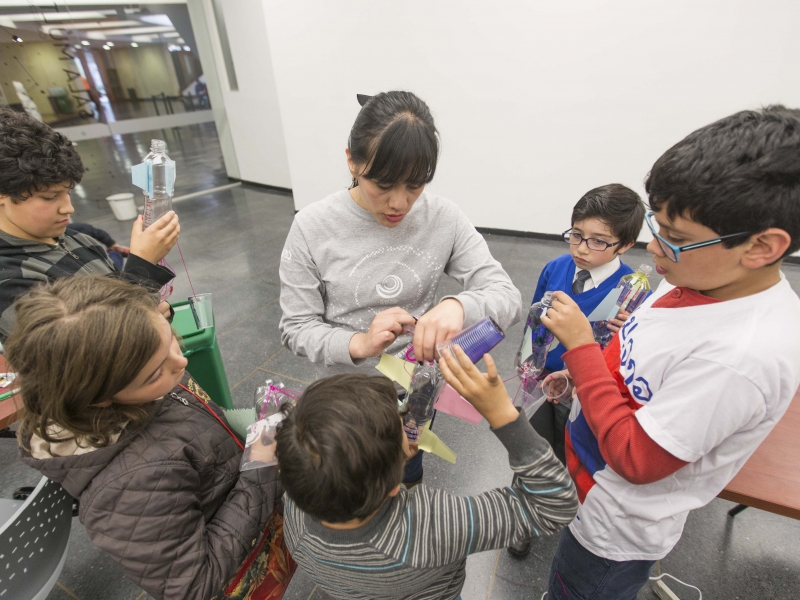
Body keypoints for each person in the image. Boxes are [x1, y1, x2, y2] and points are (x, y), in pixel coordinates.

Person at [540, 105, 800, 600]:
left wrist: (578, 350)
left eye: (675, 240)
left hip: (613, 531)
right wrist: (582, 379)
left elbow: (638, 459)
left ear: (762, 247)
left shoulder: (742, 358)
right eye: (657, 229)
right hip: (585, 485)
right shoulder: (700, 275)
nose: (654, 250)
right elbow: (638, 353)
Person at [278, 91, 522, 484]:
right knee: (349, 490)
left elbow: (506, 296)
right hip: (345, 402)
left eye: (415, 185)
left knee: (406, 477)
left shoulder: (443, 218)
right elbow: (296, 326)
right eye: (383, 184)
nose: (399, 203)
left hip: (418, 393)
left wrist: (457, 307)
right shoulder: (312, 227)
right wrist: (358, 344)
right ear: (352, 162)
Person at [14, 276, 291, 600]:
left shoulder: (139, 381)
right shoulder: (125, 488)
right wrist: (261, 464)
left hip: (251, 516)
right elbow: (193, 584)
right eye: (156, 373)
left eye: (170, 337)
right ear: (100, 397)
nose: (182, 363)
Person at [276, 345, 578, 600]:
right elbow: (555, 504)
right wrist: (503, 414)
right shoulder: (434, 525)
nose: (411, 430)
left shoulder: (296, 506)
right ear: (395, 483)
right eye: (404, 436)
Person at [508, 184, 644, 558]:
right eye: (577, 235)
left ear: (625, 244)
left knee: (573, 451)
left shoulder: (632, 290)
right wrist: (526, 362)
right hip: (540, 380)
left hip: (584, 390)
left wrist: (626, 332)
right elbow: (535, 319)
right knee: (531, 449)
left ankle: (563, 509)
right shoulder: (556, 268)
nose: (582, 248)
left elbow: (627, 354)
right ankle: (524, 517)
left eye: (599, 241)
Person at [0, 108, 179, 340]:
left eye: (67, 193)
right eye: (49, 197)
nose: (68, 208)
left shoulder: (79, 241)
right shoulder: (11, 278)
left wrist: (154, 312)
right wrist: (142, 267)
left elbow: (119, 301)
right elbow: (78, 350)